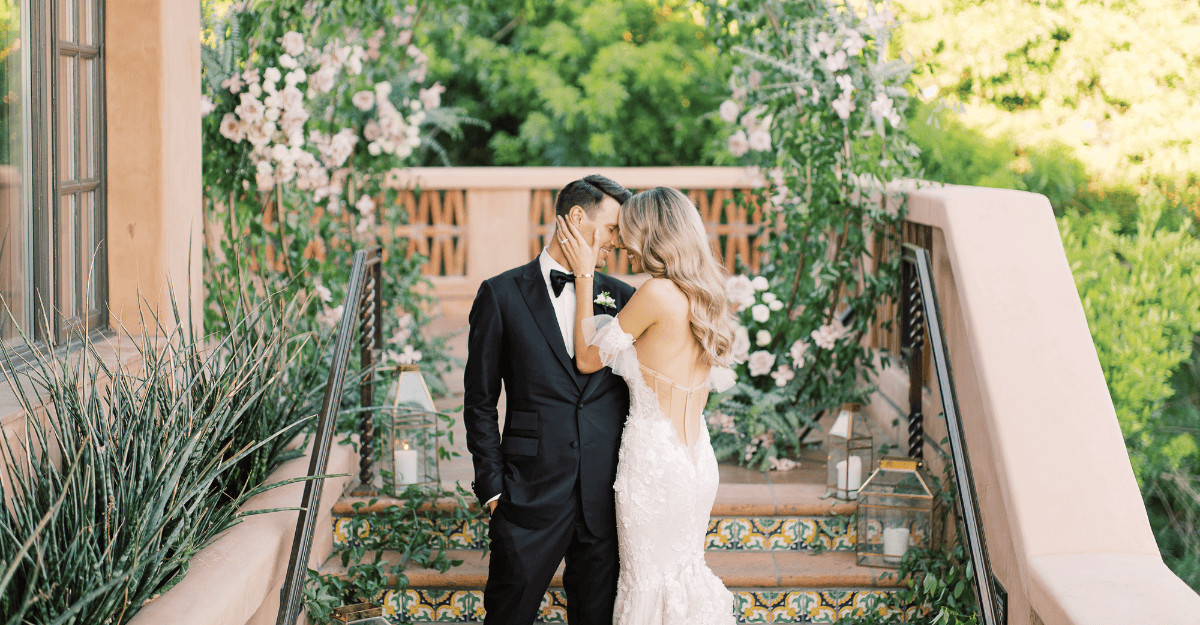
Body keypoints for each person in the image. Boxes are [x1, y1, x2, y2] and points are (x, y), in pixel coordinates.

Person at [558, 185, 738, 624]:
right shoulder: (703, 293)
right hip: (696, 462)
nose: (622, 244)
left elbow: (587, 357)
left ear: (652, 233)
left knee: (648, 587)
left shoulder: (656, 293)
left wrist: (584, 275)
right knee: (682, 579)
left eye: (628, 232)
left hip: (655, 467)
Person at [463, 174, 636, 625]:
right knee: (507, 615)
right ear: (578, 218)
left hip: (605, 496)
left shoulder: (624, 298)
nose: (617, 243)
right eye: (613, 229)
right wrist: (493, 487)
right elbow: (480, 399)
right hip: (528, 492)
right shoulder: (500, 294)